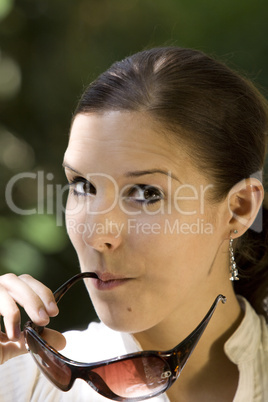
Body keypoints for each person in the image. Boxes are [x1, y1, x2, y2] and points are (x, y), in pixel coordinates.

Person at [0, 46, 267, 402]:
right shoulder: (22, 383)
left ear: (238, 209)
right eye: (83, 186)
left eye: (145, 193)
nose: (97, 235)